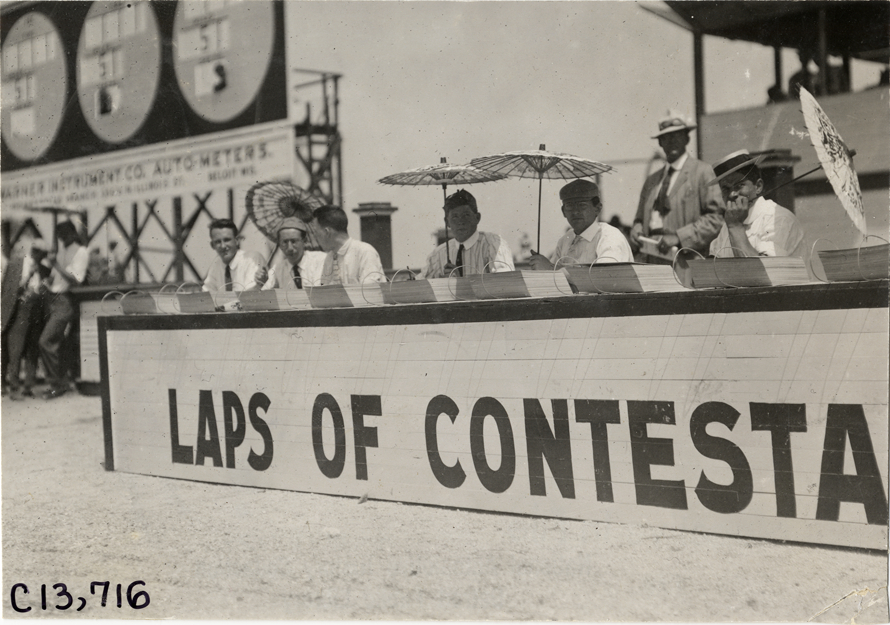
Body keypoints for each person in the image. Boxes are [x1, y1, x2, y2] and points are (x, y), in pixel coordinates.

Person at [630, 111, 725, 261]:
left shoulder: (702, 172)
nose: (671, 141)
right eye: (665, 137)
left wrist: (679, 237)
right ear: (660, 142)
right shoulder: (652, 181)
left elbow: (716, 219)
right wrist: (636, 229)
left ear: (687, 138)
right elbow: (639, 220)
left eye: (677, 135)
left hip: (686, 261)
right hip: (651, 261)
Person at [708, 150, 806, 259]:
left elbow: (760, 272)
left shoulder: (779, 219)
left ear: (758, 186)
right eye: (726, 188)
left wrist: (735, 227)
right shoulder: (729, 225)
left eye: (739, 185)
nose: (732, 194)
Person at [528, 179, 633, 270]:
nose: (575, 212)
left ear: (597, 208)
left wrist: (551, 269)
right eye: (569, 206)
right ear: (563, 211)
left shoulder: (610, 237)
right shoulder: (565, 240)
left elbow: (603, 279)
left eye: (582, 205)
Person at [40, 221, 89, 400]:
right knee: (56, 344)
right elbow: (54, 277)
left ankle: (57, 384)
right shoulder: (61, 252)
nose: (61, 238)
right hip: (52, 300)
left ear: (72, 233)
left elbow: (76, 279)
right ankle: (61, 382)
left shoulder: (81, 251)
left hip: (66, 301)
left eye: (64, 234)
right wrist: (46, 282)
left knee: (45, 341)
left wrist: (57, 265)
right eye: (59, 235)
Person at [421, 189, 514, 278]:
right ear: (447, 222)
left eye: (466, 215)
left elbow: (504, 285)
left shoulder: (493, 245)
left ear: (477, 218)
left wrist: (461, 282)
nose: (461, 221)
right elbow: (420, 284)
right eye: (455, 217)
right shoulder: (438, 254)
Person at [6, 239, 50, 400]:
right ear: (34, 251)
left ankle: (28, 386)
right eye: (40, 253)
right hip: (22, 308)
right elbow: (13, 290)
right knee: (16, 349)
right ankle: (14, 387)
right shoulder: (19, 265)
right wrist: (29, 276)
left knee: (33, 348)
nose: (41, 257)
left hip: (37, 309)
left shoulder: (44, 268)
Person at [312, 205, 385, 285]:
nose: (315, 237)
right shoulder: (329, 258)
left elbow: (370, 293)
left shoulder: (365, 252)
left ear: (327, 232)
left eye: (316, 232)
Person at [256, 217, 326, 289]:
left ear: (304, 241)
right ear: (279, 244)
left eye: (294, 241)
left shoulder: (321, 260)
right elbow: (263, 292)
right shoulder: (278, 270)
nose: (290, 248)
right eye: (285, 242)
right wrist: (261, 283)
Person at [202, 218, 263, 292]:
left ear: (237, 240)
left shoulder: (251, 259)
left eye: (227, 240)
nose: (223, 246)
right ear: (212, 245)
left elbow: (250, 296)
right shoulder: (216, 264)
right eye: (218, 242)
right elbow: (206, 293)